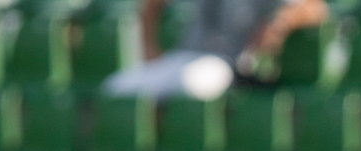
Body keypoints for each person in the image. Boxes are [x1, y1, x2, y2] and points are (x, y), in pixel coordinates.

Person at [102, 0, 329, 100]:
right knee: (114, 87)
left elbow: (315, 8)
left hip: (235, 68)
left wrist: (279, 24)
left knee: (195, 79)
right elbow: (152, 4)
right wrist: (149, 48)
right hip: (187, 58)